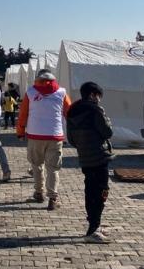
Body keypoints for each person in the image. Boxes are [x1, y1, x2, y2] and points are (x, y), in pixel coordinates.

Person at [17, 69, 72, 210]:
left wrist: (20, 131)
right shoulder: (62, 92)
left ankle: (39, 192)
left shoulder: (30, 92)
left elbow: (23, 114)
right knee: (53, 168)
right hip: (55, 136)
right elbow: (69, 113)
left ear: (37, 79)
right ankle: (52, 198)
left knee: (37, 165)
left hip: (35, 135)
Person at [66, 82, 114, 243]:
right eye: (98, 96)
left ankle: (94, 224)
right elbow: (107, 131)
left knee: (90, 190)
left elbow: (71, 139)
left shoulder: (72, 110)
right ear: (93, 95)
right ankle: (93, 228)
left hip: (84, 156)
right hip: (99, 155)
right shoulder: (96, 110)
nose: (99, 99)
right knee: (101, 192)